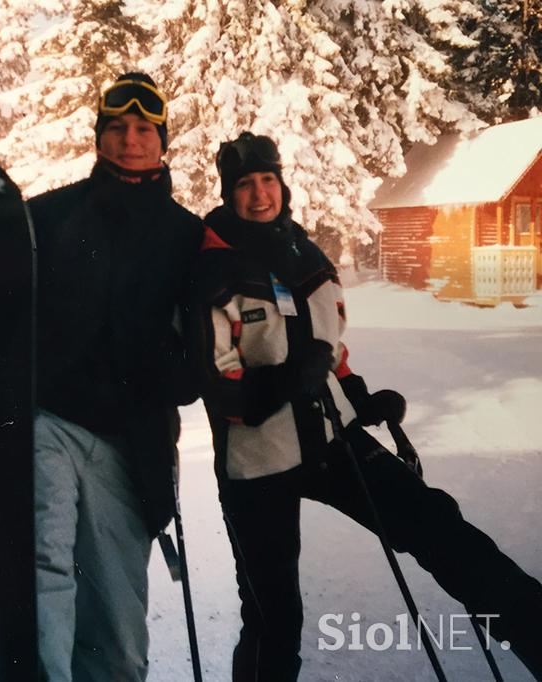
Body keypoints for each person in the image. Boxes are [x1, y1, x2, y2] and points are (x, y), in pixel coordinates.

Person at [188, 131, 542, 680]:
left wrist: (358, 393)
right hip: (258, 464)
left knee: (439, 526)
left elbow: (331, 346)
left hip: (333, 440)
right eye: (244, 185)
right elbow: (220, 384)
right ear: (228, 194)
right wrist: (287, 381)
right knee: (273, 617)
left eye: (267, 180)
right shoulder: (214, 272)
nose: (260, 194)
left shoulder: (303, 253)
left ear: (281, 184)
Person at [0, 72, 203, 682]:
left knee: (117, 625)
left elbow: (204, 346)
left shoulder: (186, 235)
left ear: (162, 139)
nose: (130, 139)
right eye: (117, 128)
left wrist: (172, 373)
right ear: (98, 137)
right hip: (49, 423)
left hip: (135, 442)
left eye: (144, 129)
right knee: (39, 572)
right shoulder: (45, 217)